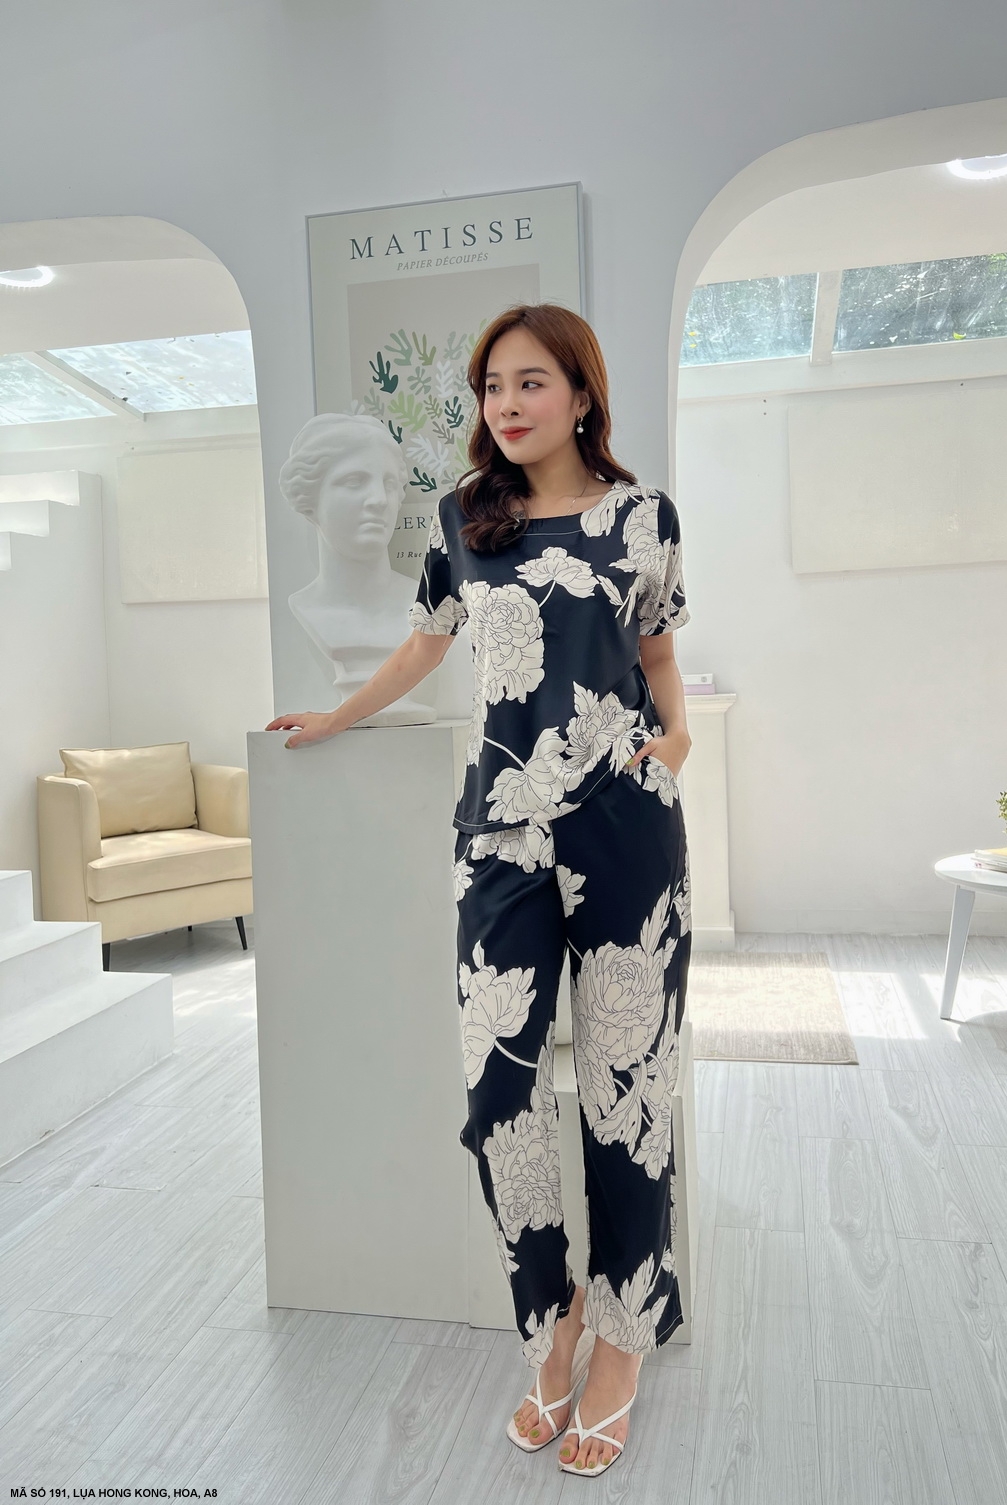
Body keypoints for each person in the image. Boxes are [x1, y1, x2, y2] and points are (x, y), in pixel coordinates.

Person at [266, 302, 692, 1478]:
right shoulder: (467, 517)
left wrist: (676, 739)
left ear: (582, 394)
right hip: (499, 834)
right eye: (493, 385)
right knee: (501, 1094)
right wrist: (338, 715)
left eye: (530, 381)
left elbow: (657, 648)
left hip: (626, 825)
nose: (506, 403)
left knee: (626, 1089)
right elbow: (424, 641)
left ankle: (622, 1340)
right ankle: (550, 1318)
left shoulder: (643, 516)